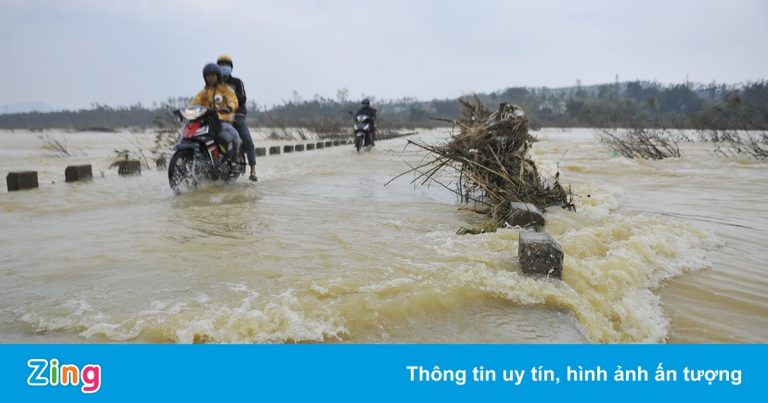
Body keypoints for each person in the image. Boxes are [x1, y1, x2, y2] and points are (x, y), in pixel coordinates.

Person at [191, 63, 242, 167]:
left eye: (213, 75)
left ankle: (235, 160)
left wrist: (229, 107)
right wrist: (189, 111)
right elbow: (194, 104)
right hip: (205, 121)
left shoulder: (226, 89)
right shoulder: (203, 93)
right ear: (205, 77)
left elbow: (233, 100)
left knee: (234, 135)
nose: (210, 78)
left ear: (218, 76)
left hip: (222, 121)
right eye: (208, 76)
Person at [217, 55, 257, 182]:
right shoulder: (213, 84)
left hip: (237, 115)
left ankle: (253, 171)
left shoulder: (237, 82)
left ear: (231, 68)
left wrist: (229, 93)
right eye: (222, 65)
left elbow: (243, 98)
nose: (224, 67)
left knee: (248, 140)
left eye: (227, 65)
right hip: (220, 116)